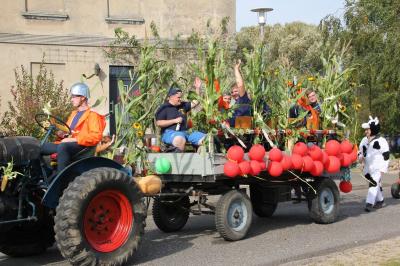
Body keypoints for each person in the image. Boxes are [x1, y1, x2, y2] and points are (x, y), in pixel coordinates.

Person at [41, 82, 105, 173]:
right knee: (37, 147)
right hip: (69, 145)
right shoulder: (74, 114)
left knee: (63, 147)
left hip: (82, 147)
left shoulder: (93, 115)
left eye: (74, 97)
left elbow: (96, 137)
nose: (71, 99)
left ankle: (61, 180)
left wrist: (73, 140)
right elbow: (69, 132)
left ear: (82, 97)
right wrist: (61, 134)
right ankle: (44, 175)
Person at [155, 78, 205, 152]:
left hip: (186, 132)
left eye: (181, 97)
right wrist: (174, 121)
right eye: (178, 97)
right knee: (180, 139)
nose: (180, 99)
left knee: (206, 138)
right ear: (171, 97)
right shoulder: (164, 107)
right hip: (170, 133)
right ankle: (179, 162)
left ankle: (200, 158)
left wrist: (197, 88)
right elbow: (159, 123)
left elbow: (196, 102)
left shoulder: (183, 105)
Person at [358, 116, 390, 212]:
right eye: (366, 130)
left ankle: (369, 203)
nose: (366, 131)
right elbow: (360, 151)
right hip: (368, 167)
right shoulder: (364, 140)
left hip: (377, 167)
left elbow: (386, 155)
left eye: (368, 129)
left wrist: (383, 168)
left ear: (373, 129)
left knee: (373, 183)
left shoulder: (381, 141)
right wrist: (360, 157)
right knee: (375, 183)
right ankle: (380, 200)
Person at [229, 59, 252, 127]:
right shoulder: (233, 105)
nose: (234, 93)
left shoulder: (243, 99)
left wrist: (236, 69)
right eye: (232, 92)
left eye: (236, 91)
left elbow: (240, 85)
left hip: (243, 132)